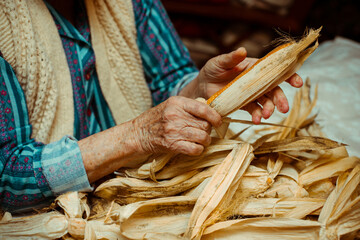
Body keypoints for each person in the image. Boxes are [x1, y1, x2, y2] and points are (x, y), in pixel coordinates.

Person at [0, 0, 302, 212]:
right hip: (54, 213)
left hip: (139, 186)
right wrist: (136, 135)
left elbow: (168, 77)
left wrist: (200, 89)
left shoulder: (132, 3)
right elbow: (7, 177)